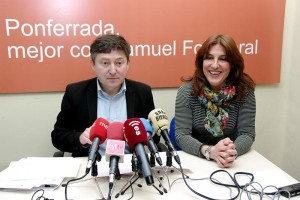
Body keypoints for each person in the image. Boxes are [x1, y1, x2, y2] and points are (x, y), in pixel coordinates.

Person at [51, 34, 158, 157]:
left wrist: (146, 137)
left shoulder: (142, 92)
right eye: (105, 63)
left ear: (128, 64)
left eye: (119, 63)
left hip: (131, 165)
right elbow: (58, 136)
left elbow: (155, 137)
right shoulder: (75, 93)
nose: (112, 70)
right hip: (91, 165)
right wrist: (80, 138)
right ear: (93, 64)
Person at [175, 34, 256, 168]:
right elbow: (182, 136)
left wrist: (229, 153)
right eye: (209, 58)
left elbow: (247, 134)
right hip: (197, 159)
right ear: (201, 62)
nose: (215, 65)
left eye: (223, 59)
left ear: (232, 64)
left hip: (230, 162)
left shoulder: (244, 90)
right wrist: (210, 152)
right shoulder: (186, 92)